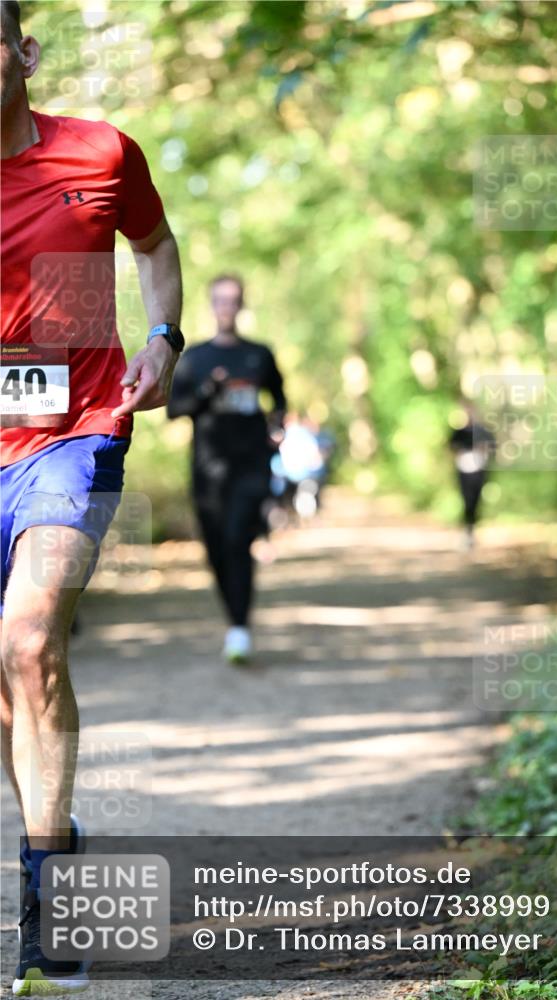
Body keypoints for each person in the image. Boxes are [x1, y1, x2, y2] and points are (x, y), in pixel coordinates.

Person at [0, 1, 184, 993]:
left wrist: (164, 341)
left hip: (73, 432)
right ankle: (53, 827)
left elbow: (156, 249)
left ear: (23, 52)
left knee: (29, 641)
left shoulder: (99, 154)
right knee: (4, 676)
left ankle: (47, 890)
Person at [168, 275, 286, 664]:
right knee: (218, 549)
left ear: (242, 305)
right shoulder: (195, 358)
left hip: (251, 466)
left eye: (233, 300)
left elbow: (280, 400)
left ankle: (239, 628)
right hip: (208, 471)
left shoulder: (259, 355)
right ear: (211, 304)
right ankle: (235, 620)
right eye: (220, 299)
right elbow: (174, 410)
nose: (226, 307)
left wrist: (277, 428)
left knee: (239, 541)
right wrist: (207, 393)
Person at [449, 398, 495, 549]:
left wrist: (484, 449)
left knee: (475, 500)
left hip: (479, 468)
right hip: (464, 468)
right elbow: (451, 447)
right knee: (467, 500)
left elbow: (493, 447)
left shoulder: (484, 431)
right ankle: (468, 531)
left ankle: (471, 530)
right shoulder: (459, 432)